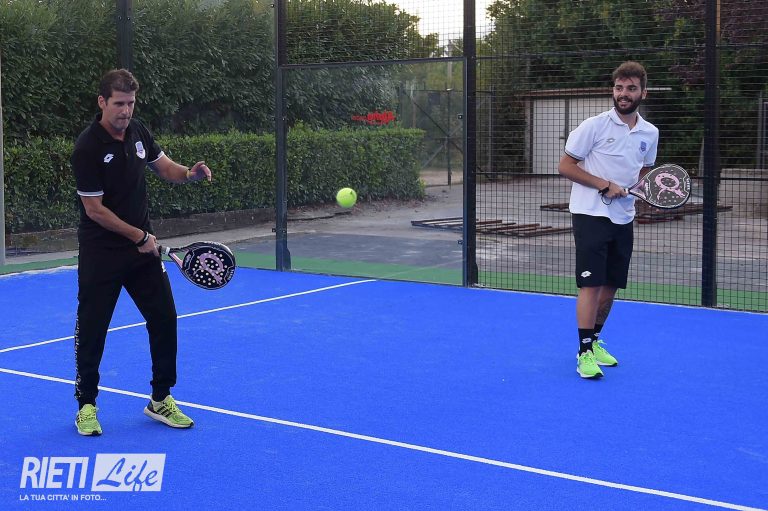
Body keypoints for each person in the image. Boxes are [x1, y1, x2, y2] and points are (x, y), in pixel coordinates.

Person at [71, 69, 212, 434]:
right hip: (102, 252)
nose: (126, 111)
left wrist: (189, 174)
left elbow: (164, 167)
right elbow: (95, 210)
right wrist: (139, 236)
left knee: (164, 318)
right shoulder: (87, 147)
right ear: (102, 102)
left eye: (131, 103)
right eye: (119, 103)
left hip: (141, 251)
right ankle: (87, 405)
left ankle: (160, 399)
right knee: (93, 329)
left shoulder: (138, 132)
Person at [558, 61, 659, 379]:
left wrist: (640, 193)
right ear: (613, 91)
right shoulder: (594, 126)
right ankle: (584, 352)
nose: (624, 94)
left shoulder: (650, 133)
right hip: (590, 214)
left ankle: (595, 340)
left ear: (643, 92)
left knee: (611, 286)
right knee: (591, 284)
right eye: (619, 88)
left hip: (623, 217)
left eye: (631, 88)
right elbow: (566, 166)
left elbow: (644, 171)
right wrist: (604, 184)